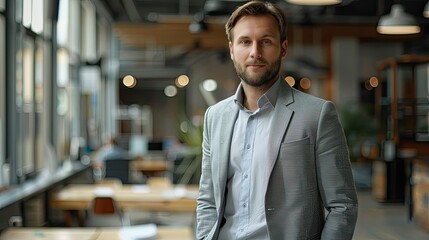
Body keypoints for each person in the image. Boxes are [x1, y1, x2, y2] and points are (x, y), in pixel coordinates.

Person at [196, 1, 358, 240]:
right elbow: (208, 199)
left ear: (283, 48)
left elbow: (343, 206)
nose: (255, 52)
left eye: (266, 41)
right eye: (245, 42)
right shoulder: (215, 117)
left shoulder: (318, 114)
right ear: (232, 49)